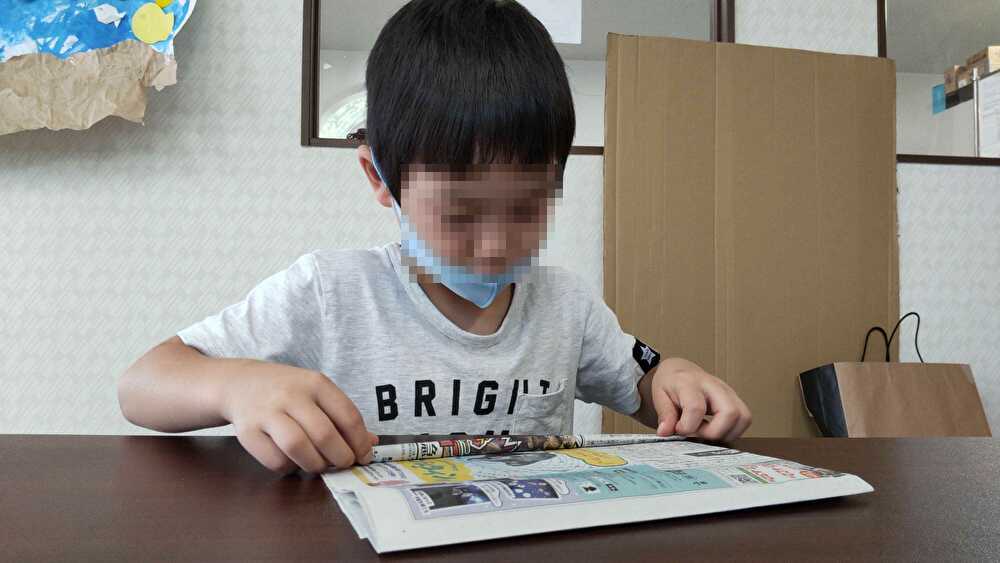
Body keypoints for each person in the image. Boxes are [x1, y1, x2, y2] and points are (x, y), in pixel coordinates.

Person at [117, 0, 751, 476]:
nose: (495, 244)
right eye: (459, 213)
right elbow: (142, 383)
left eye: (528, 208)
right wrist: (238, 387)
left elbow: (645, 387)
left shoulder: (567, 306)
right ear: (381, 178)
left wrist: (676, 379)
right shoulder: (330, 292)